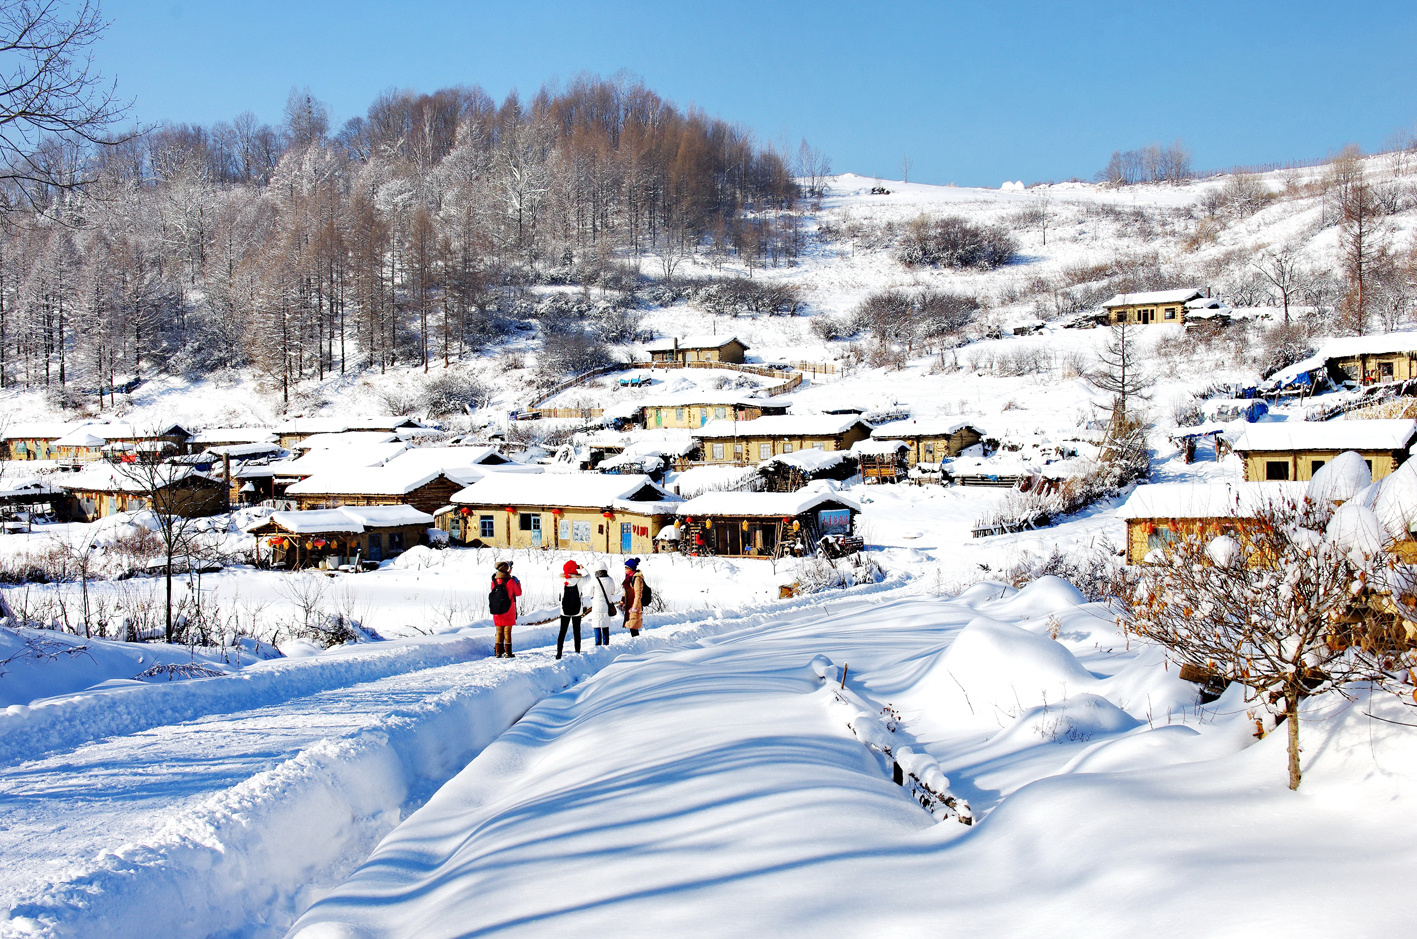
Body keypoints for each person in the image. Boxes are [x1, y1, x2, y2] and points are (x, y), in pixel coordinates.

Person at [556, 560, 591, 659]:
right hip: (577, 610)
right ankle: (577, 651)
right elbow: (589, 577)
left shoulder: (561, 580)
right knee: (577, 631)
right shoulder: (579, 581)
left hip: (564, 611)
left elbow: (562, 575)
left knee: (562, 631)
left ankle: (559, 653)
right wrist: (582, 568)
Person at [490, 561, 522, 658]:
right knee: (507, 631)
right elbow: (518, 593)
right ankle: (508, 653)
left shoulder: (494, 582)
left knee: (499, 631)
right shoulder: (511, 582)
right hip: (508, 610)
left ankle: (498, 652)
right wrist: (518, 583)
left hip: (497, 610)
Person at [589, 563, 621, 647]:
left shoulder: (594, 580)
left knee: (597, 625)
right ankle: (606, 644)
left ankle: (597, 644)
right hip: (606, 605)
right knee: (605, 625)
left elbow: (590, 593)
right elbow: (612, 591)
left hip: (596, 605)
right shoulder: (610, 580)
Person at [621, 557, 646, 638]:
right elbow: (627, 590)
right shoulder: (629, 578)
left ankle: (637, 644)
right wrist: (622, 600)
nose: (625, 569)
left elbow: (638, 594)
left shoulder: (637, 579)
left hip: (634, 605)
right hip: (630, 604)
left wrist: (634, 607)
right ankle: (636, 643)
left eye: (627, 568)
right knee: (632, 626)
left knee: (634, 627)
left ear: (631, 568)